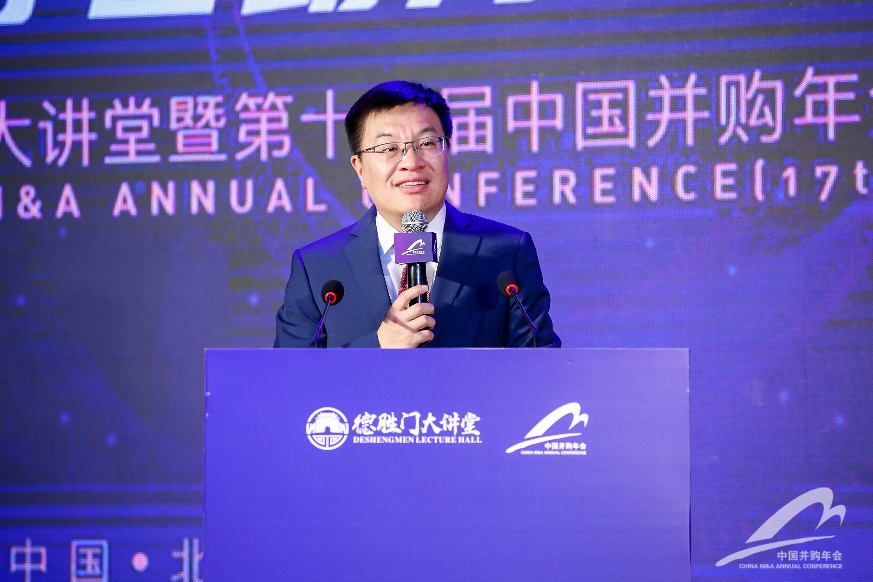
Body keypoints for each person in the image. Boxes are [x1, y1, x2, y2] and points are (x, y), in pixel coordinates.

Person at [274, 80, 560, 348]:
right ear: (360, 169)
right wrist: (377, 348)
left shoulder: (506, 252)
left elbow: (540, 364)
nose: (411, 162)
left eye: (427, 144)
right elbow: (290, 376)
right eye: (389, 148)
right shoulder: (318, 268)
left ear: (447, 151)